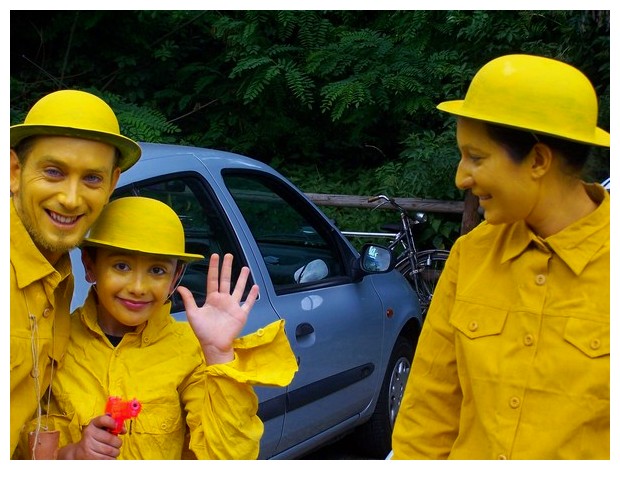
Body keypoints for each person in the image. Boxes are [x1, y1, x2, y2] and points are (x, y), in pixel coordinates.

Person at [391, 54, 609, 459]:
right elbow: (428, 412)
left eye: (476, 157)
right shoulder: (470, 255)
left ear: (539, 161)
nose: (461, 177)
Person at [24, 196, 298, 459]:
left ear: (175, 277)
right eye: (121, 265)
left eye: (157, 271)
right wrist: (73, 455)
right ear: (90, 265)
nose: (138, 288)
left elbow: (230, 457)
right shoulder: (52, 342)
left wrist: (218, 354)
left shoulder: (191, 351)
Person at [10, 90, 142, 458]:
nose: (71, 198)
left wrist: (73, 454)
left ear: (112, 184)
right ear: (15, 172)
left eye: (92, 179)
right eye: (53, 172)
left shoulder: (60, 274)